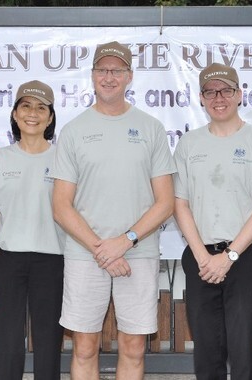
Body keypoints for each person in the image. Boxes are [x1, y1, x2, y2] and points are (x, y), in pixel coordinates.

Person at [52, 41, 175, 380]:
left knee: (134, 346)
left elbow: (165, 202)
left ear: (129, 76)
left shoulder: (151, 128)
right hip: (84, 254)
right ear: (92, 76)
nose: (109, 77)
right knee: (85, 346)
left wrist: (126, 241)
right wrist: (102, 249)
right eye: (103, 70)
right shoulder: (74, 130)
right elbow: (61, 206)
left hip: (138, 252)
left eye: (117, 70)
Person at [173, 63, 252, 380]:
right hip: (201, 258)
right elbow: (179, 203)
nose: (218, 97)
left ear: (239, 95)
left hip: (246, 257)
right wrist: (203, 257)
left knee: (243, 350)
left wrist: (230, 256)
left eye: (226, 90)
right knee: (206, 351)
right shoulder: (188, 144)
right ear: (201, 97)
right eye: (210, 91)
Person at [0, 80, 64, 380]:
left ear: (50, 117)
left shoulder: (64, 158)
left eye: (41, 108)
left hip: (53, 260)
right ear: (14, 113)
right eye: (26, 106)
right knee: (6, 342)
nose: (33, 114)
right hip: (7, 260)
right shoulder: (0, 158)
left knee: (49, 342)